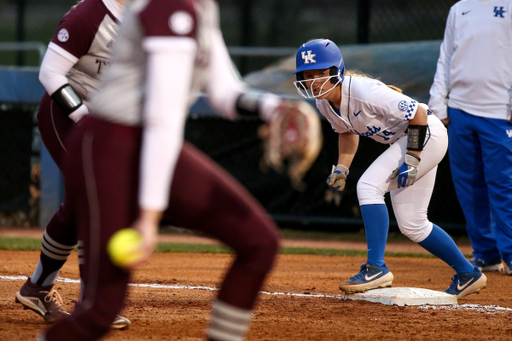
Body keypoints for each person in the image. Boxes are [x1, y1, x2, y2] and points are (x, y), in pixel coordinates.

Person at [34, 0, 299, 339]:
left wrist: (273, 108)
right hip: (109, 144)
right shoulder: (167, 5)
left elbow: (224, 92)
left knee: (259, 242)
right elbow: (162, 117)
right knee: (101, 312)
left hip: (147, 140)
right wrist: (148, 216)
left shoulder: (202, 6)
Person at [293, 38, 487, 298]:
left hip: (425, 134)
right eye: (308, 75)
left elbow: (418, 114)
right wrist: (342, 166)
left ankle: (376, 268)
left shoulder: (363, 91)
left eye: (320, 73)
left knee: (369, 186)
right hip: (411, 140)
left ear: (335, 71)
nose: (314, 80)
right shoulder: (324, 102)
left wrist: (413, 158)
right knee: (413, 225)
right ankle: (468, 273)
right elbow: (347, 133)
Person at [14, 0, 131, 329]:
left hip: (106, 121)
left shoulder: (144, 17)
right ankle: (91, 303)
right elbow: (49, 72)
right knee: (92, 198)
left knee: (83, 202)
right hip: (66, 115)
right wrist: (84, 119)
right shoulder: (90, 14)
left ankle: (37, 287)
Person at [428, 0, 512, 275]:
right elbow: (447, 56)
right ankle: (486, 254)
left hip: (500, 111)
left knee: (503, 186)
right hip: (460, 110)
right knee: (469, 187)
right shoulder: (459, 8)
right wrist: (437, 101)